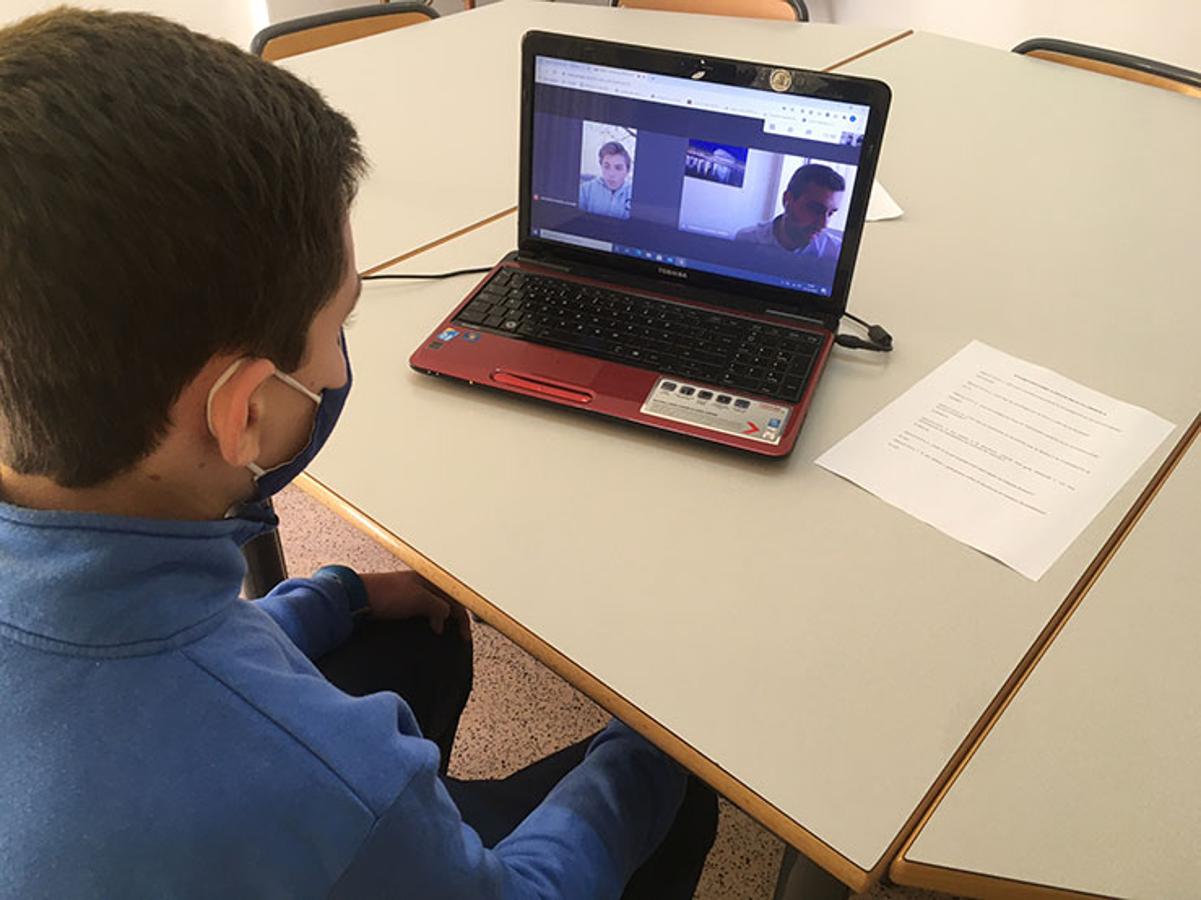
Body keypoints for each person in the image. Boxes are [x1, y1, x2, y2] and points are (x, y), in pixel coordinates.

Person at [0, 9, 715, 899]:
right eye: (337, 326)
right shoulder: (337, 782)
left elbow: (147, 652)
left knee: (411, 637)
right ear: (242, 413)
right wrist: (653, 742)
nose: (337, 368)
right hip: (346, 835)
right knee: (675, 796)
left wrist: (340, 595)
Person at [735, 163, 846, 261]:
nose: (824, 224)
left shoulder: (836, 254)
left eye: (831, 213)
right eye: (816, 209)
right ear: (787, 200)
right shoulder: (747, 240)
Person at [579, 139, 633, 219]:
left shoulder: (634, 193)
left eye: (618, 168)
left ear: (627, 171)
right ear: (601, 166)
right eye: (606, 167)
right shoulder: (585, 190)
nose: (611, 174)